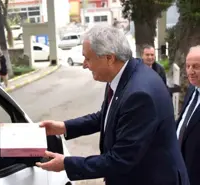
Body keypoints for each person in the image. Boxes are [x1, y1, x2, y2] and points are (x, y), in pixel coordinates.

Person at [36, 25, 189, 185]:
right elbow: (106, 116)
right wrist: (63, 127)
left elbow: (121, 159)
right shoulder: (123, 75)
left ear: (109, 58)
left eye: (88, 58)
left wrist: (66, 164)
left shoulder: (139, 95)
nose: (84, 65)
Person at [176, 45, 200, 185]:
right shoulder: (192, 90)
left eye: (196, 66)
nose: (190, 71)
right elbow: (184, 123)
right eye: (188, 66)